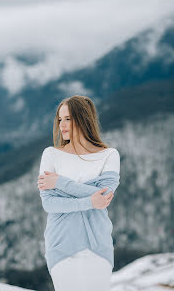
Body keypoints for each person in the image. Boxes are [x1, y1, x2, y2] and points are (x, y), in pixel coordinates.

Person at [37, 95, 120, 291]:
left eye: (68, 119)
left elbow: (104, 196)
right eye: (60, 119)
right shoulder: (51, 154)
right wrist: (90, 201)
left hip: (98, 246)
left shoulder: (109, 155)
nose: (62, 125)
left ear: (83, 119)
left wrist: (60, 183)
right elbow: (49, 204)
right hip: (61, 245)